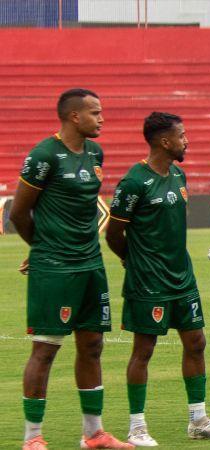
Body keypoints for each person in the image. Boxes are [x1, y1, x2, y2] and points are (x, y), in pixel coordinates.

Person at [12, 89, 132, 450]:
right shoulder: (44, 156)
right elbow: (18, 212)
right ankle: (32, 437)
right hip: (56, 267)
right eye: (95, 112)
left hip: (91, 263)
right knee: (46, 349)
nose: (102, 118)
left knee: (92, 345)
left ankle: (94, 433)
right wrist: (42, 248)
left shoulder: (95, 153)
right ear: (73, 117)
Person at [107, 112, 210, 445]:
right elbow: (114, 233)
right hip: (148, 282)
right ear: (165, 141)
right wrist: (131, 261)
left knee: (196, 342)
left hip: (182, 279)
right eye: (182, 135)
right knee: (144, 349)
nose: (186, 140)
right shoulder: (135, 181)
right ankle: (136, 426)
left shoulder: (178, 175)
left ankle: (198, 420)